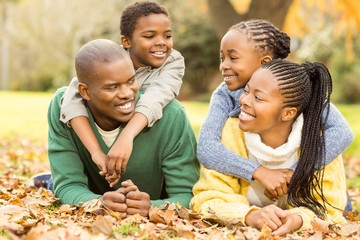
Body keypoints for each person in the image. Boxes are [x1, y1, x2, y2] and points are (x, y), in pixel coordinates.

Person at [197, 20, 354, 200]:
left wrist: (294, 173)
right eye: (222, 58)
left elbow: (342, 133)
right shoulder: (224, 95)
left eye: (233, 58)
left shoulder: (293, 89)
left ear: (264, 62)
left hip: (316, 197)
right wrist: (257, 171)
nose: (224, 65)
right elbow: (206, 147)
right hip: (258, 193)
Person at [190, 59, 348, 236]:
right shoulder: (231, 133)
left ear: (288, 113)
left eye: (258, 97)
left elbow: (330, 207)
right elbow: (207, 198)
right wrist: (250, 215)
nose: (244, 101)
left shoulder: (318, 144)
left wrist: (298, 219)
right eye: (246, 91)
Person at [47, 39, 199, 217]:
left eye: (131, 80)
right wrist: (97, 203)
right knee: (53, 185)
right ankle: (48, 180)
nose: (127, 93)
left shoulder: (172, 116)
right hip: (93, 193)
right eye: (113, 87)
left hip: (156, 200)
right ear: (85, 92)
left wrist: (152, 207)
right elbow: (68, 185)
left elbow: (188, 196)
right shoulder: (64, 107)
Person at [59, 1, 184, 186]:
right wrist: (95, 151)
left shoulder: (173, 61)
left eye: (168, 35)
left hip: (149, 140)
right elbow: (71, 99)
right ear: (126, 41)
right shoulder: (112, 59)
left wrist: (126, 136)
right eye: (149, 36)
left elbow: (155, 98)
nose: (161, 42)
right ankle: (54, 181)